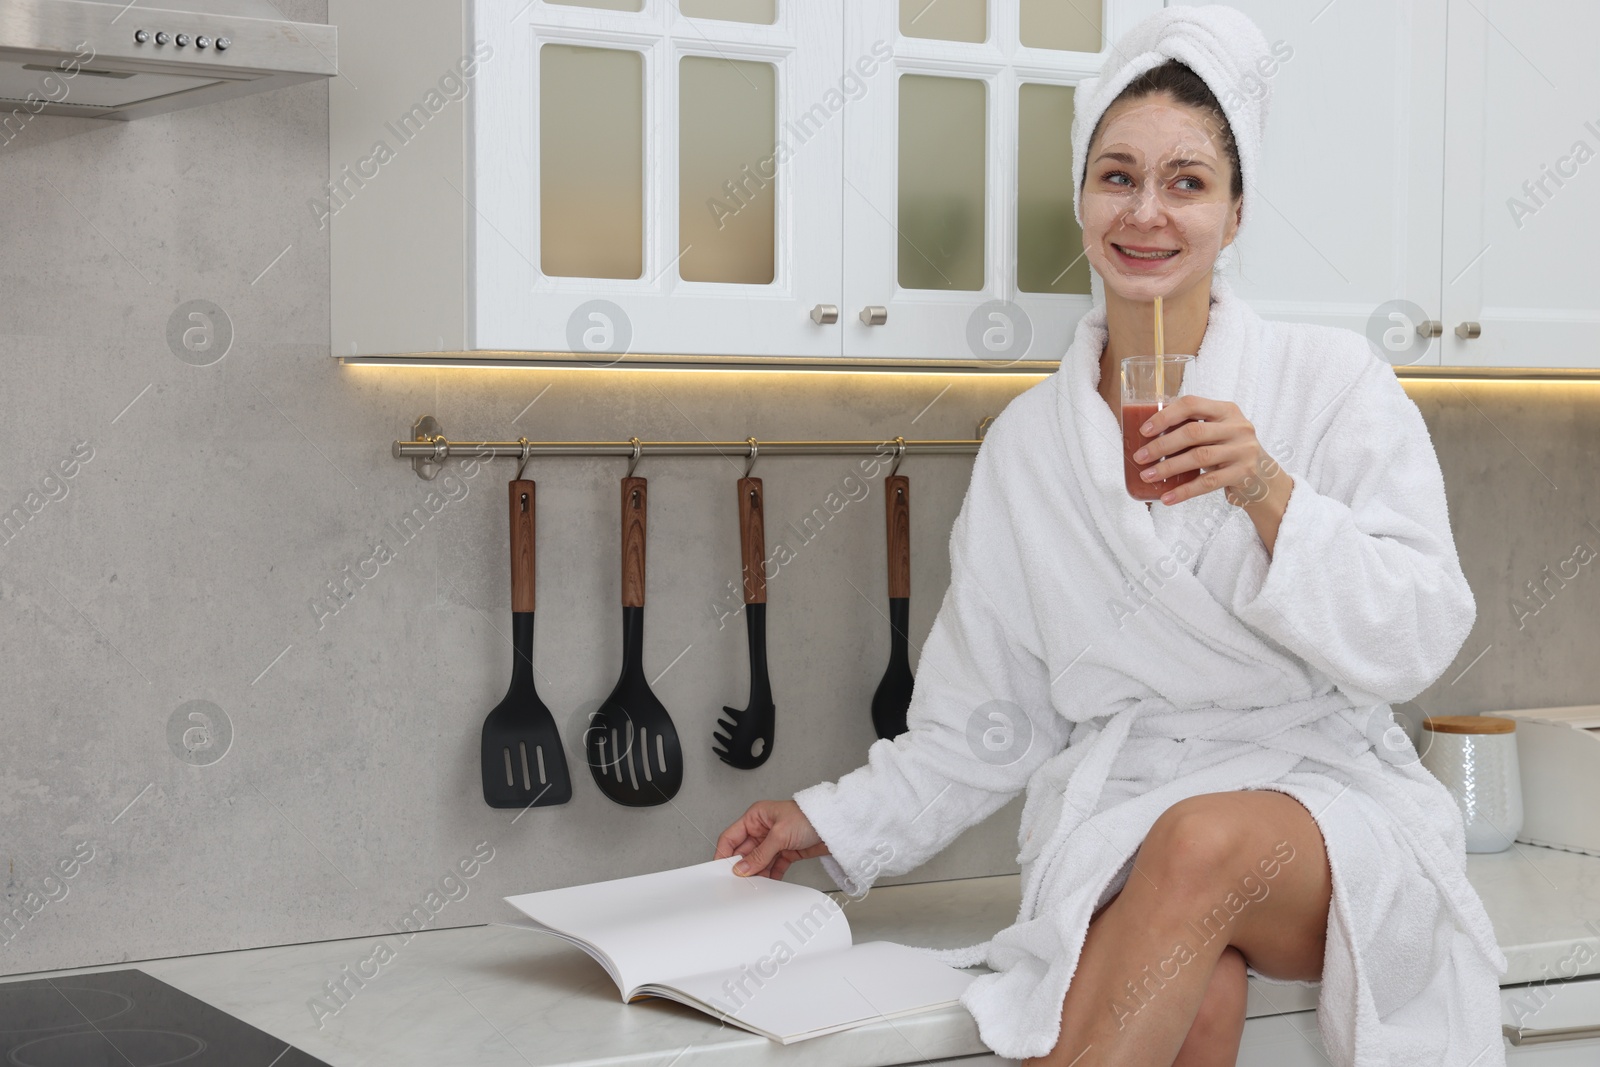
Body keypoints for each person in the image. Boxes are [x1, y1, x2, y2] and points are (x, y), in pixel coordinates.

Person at [716, 7, 1506, 1066]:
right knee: (1201, 992)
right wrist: (828, 820)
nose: (1146, 211)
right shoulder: (1030, 447)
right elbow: (984, 717)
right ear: (1081, 201)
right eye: (1116, 176)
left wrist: (1268, 489)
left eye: (1187, 181)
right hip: (1127, 814)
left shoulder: (1330, 384)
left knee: (1199, 842)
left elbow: (1421, 632)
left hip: (1327, 811)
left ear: (1234, 212)